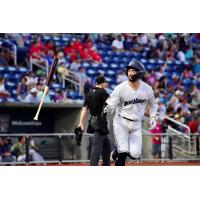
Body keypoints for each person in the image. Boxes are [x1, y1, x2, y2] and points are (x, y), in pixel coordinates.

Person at [105, 59, 157, 166]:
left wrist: (152, 117)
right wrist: (109, 107)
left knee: (135, 154)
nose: (130, 73)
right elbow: (111, 102)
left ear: (140, 72)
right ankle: (119, 150)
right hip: (121, 122)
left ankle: (116, 150)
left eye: (133, 71)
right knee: (123, 151)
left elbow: (153, 105)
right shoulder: (120, 88)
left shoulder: (147, 89)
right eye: (128, 70)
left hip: (137, 124)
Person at [77, 75, 111, 166]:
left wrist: (80, 122)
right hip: (100, 122)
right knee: (96, 146)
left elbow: (84, 109)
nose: (106, 84)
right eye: (105, 82)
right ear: (102, 83)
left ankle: (106, 164)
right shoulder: (103, 92)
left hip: (92, 120)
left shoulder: (89, 93)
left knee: (107, 145)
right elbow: (112, 104)